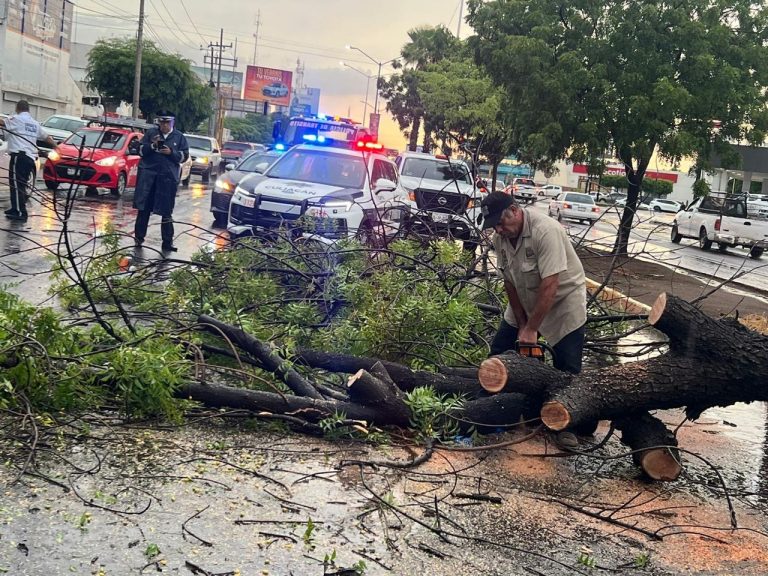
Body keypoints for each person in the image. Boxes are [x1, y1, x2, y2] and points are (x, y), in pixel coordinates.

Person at [482, 191, 587, 373]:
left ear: (514, 211)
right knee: (498, 356)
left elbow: (550, 284)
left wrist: (532, 329)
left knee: (566, 369)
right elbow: (509, 282)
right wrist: (522, 324)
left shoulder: (546, 231)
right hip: (526, 298)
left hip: (563, 304)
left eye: (500, 223)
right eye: (493, 226)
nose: (498, 230)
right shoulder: (500, 238)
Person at [133, 112, 189, 252]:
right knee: (144, 209)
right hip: (149, 178)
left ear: (172, 123)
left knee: (166, 212)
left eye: (167, 123)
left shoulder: (179, 137)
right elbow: (139, 150)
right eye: (162, 123)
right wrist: (152, 146)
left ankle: (167, 243)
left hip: (167, 179)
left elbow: (184, 156)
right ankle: (138, 239)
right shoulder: (151, 133)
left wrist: (171, 153)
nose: (164, 125)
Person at [0, 100, 55, 222]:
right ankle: (16, 208)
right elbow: (46, 137)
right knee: (20, 184)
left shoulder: (17, 119)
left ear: (17, 108)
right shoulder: (34, 123)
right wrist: (57, 146)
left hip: (19, 157)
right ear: (28, 109)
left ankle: (20, 212)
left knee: (16, 184)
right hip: (30, 158)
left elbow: (2, 122)